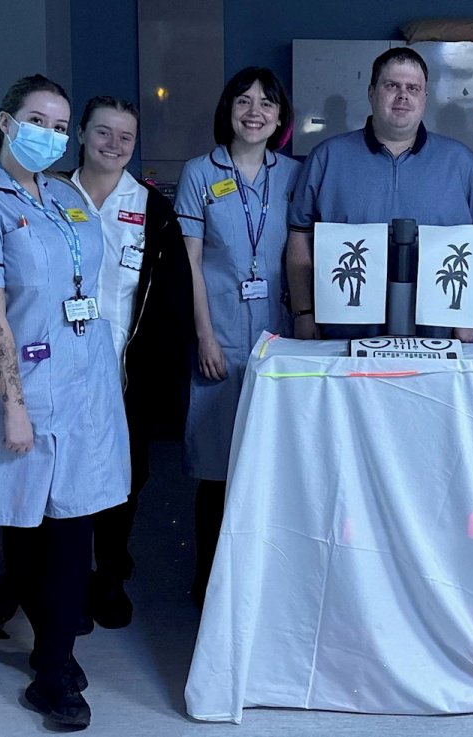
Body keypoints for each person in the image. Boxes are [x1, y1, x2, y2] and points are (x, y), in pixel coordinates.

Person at [0, 74, 130, 729]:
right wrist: (14, 406)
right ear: (5, 120)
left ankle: (54, 662)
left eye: (59, 124)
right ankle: (53, 664)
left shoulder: (61, 196)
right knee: (27, 526)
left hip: (84, 385)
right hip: (24, 385)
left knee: (73, 522)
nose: (50, 134)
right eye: (38, 120)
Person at [174, 67, 300, 604]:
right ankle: (210, 585)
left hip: (281, 340)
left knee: (277, 465)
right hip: (220, 337)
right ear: (227, 109)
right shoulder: (200, 173)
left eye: (266, 103)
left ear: (280, 117)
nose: (255, 112)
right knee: (218, 467)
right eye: (244, 101)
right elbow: (192, 265)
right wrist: (204, 337)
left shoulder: (295, 175)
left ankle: (267, 583)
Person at [70, 97, 194, 629]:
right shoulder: (49, 196)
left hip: (125, 368)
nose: (115, 145)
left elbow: (170, 299)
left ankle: (111, 573)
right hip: (60, 366)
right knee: (65, 475)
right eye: (104, 132)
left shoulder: (149, 208)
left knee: (124, 475)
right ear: (80, 134)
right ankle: (68, 579)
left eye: (126, 137)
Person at [286, 47, 473, 340]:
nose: (403, 95)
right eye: (392, 86)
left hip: (435, 334)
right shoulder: (327, 158)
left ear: (425, 99)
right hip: (345, 333)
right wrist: (303, 312)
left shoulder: (459, 162)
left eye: (413, 88)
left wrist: (469, 312)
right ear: (372, 92)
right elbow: (300, 238)